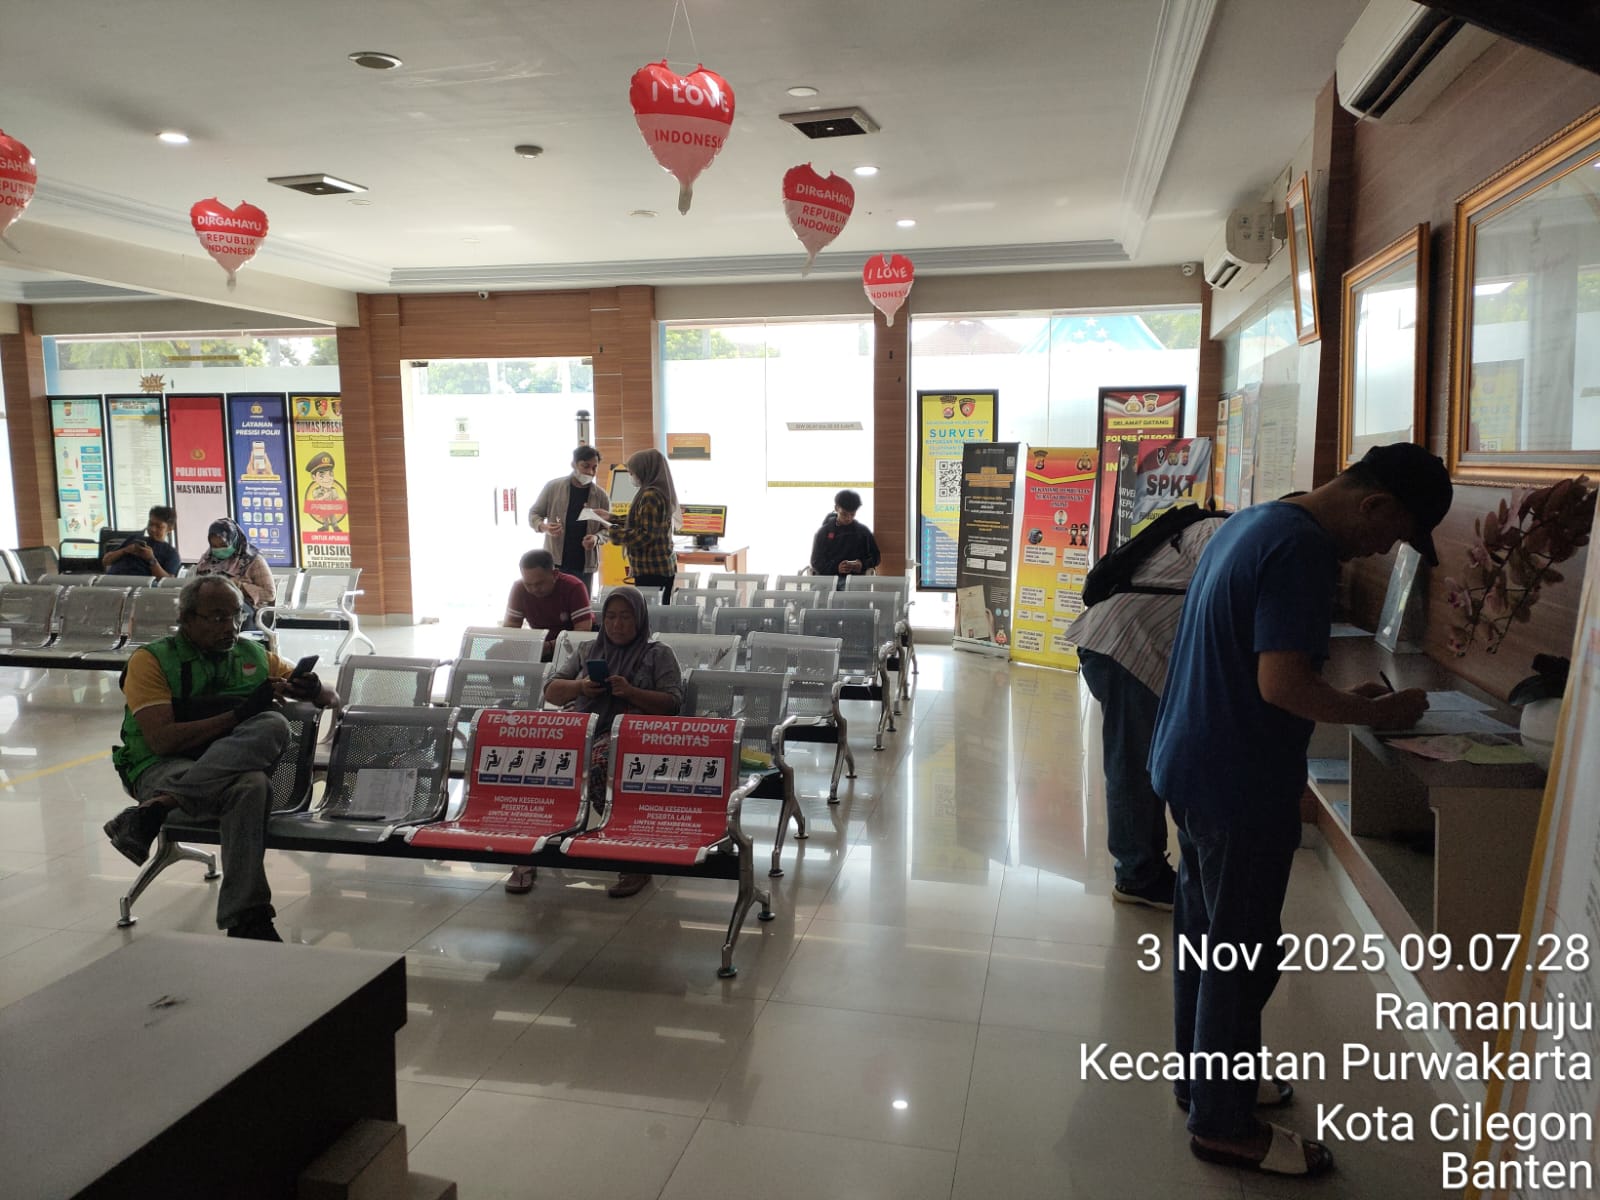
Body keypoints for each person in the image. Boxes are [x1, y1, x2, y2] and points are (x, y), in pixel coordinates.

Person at [1150, 443, 1449, 1179]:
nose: (1382, 550)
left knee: (1206, 939)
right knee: (1240, 953)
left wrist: (1346, 699)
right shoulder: (1304, 551)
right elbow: (1281, 685)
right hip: (1238, 780)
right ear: (1374, 504)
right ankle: (1223, 1125)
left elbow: (1258, 665)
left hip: (1192, 760)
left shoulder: (1257, 522)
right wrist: (1375, 712)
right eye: (1391, 534)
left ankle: (1204, 1082)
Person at [103, 575, 340, 941]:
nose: (229, 627)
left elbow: (332, 698)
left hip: (199, 781)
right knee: (253, 779)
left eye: (235, 615)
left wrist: (314, 688)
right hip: (161, 768)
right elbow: (162, 741)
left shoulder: (252, 654)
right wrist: (238, 714)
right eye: (216, 617)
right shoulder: (152, 662)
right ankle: (248, 919)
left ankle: (159, 808)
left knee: (269, 736)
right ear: (187, 618)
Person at [1071, 514, 1227, 909]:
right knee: (1132, 765)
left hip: (1128, 645)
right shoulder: (1219, 532)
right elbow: (1228, 598)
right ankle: (1137, 876)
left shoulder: (1221, 530)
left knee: (1139, 761)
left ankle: (1144, 867)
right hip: (1126, 646)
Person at [503, 586, 682, 897]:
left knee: (599, 764)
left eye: (625, 617)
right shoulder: (588, 650)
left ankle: (633, 857)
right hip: (583, 727)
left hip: (631, 736)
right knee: (529, 762)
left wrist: (631, 692)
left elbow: (673, 703)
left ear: (640, 619)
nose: (617, 624)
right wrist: (581, 687)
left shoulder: (658, 654)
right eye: (610, 617)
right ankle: (528, 851)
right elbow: (552, 690)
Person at [527, 445, 611, 593]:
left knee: (582, 603)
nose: (590, 472)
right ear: (574, 464)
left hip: (585, 565)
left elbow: (608, 529)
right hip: (555, 563)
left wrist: (596, 538)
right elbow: (534, 514)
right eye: (585, 466)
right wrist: (544, 527)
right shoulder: (553, 487)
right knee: (554, 602)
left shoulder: (601, 496)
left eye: (594, 467)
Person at [503, 549, 594, 660]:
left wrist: (549, 646)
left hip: (574, 650)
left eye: (539, 583)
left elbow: (582, 632)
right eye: (528, 584)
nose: (534, 589)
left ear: (555, 574)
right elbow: (511, 627)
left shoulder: (574, 587)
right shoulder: (519, 588)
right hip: (541, 646)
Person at [617, 448, 679, 603]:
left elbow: (646, 536)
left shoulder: (651, 495)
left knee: (651, 612)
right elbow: (641, 520)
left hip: (652, 570)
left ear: (644, 471)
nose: (631, 477)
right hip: (658, 568)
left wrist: (613, 533)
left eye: (632, 473)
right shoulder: (658, 491)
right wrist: (610, 518)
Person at [194, 517, 276, 628]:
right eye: (215, 546)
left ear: (234, 540)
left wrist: (240, 586)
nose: (219, 550)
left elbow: (270, 593)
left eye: (224, 545)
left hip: (245, 612)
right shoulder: (206, 560)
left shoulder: (253, 560)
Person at [809, 489, 881, 586]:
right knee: (818, 593)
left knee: (850, 592)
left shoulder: (863, 532)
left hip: (854, 580)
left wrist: (862, 564)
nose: (848, 518)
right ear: (836, 508)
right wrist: (836, 567)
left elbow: (876, 557)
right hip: (828, 579)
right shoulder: (824, 532)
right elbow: (815, 561)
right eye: (844, 514)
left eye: (852, 514)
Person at [103, 505, 181, 579]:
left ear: (170, 529)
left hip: (140, 585)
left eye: (158, 526)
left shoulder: (171, 553)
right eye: (150, 524)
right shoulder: (134, 539)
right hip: (110, 581)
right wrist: (125, 550)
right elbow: (105, 561)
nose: (153, 529)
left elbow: (168, 581)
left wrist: (151, 559)